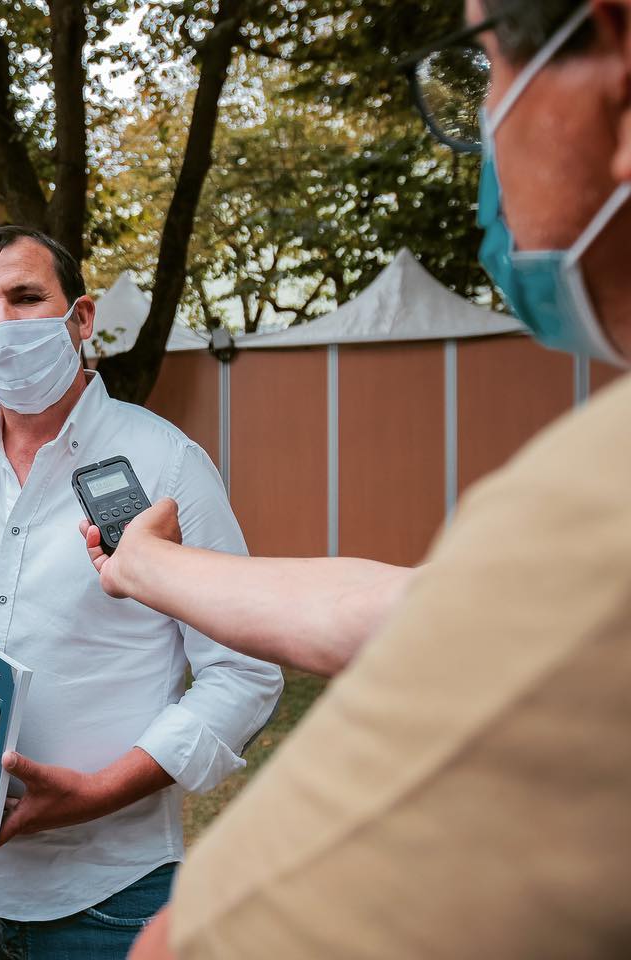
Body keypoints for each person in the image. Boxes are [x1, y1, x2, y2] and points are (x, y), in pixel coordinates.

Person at [87, 4, 631, 957]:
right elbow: (409, 612)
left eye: (486, 59)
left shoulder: (597, 509)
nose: (481, 128)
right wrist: (146, 568)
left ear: (619, 63)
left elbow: (191, 941)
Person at [0, 225, 283, 960]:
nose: (5, 325)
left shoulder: (167, 464)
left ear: (81, 318)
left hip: (105, 895)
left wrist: (97, 793)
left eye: (25, 297)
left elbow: (243, 672)